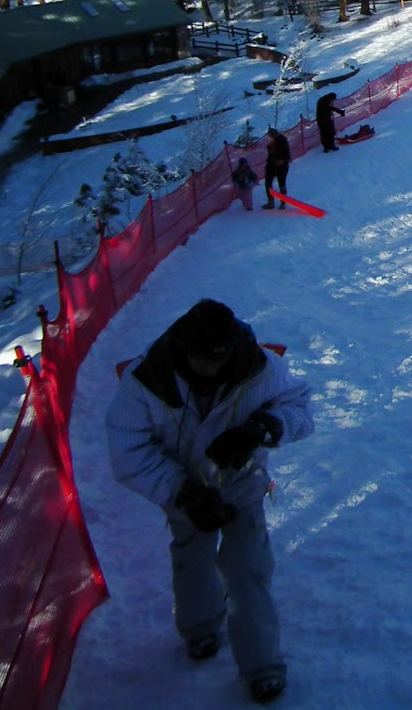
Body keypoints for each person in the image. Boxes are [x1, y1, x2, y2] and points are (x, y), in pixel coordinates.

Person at [106, 298, 313, 705]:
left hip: (242, 482)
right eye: (201, 362)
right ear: (184, 350)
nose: (210, 371)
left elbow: (300, 409)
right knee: (192, 556)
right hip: (181, 484)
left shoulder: (261, 368)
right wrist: (183, 491)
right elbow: (127, 451)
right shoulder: (147, 379)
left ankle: (262, 667)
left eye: (218, 362)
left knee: (247, 568)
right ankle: (200, 629)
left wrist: (262, 428)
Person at [263, 127, 290, 208]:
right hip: (271, 166)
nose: (268, 138)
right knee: (268, 184)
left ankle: (283, 202)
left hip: (281, 167)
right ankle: (271, 202)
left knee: (282, 184)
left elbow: (287, 156)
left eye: (269, 136)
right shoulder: (271, 143)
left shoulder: (282, 142)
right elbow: (271, 155)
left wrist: (282, 161)